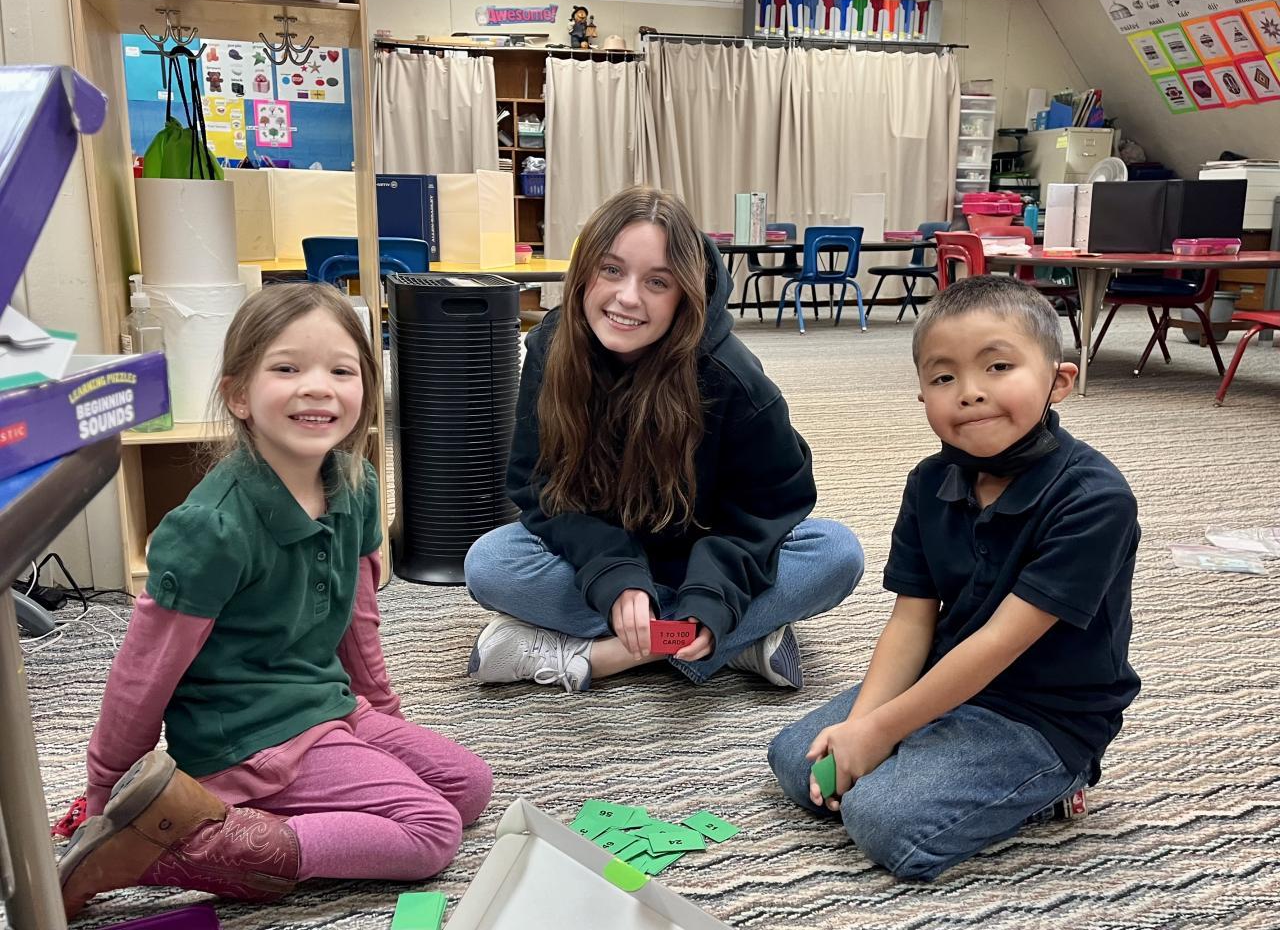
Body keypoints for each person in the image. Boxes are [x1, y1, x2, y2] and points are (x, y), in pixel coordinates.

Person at [59, 283, 492, 918]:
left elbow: (358, 624)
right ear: (239, 395)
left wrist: (381, 722)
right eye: (287, 368)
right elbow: (141, 675)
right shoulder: (210, 528)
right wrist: (106, 798)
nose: (318, 388)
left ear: (367, 389)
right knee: (430, 831)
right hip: (244, 740)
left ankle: (233, 815)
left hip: (324, 707)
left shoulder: (358, 485)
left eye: (341, 371)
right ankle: (183, 843)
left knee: (468, 786)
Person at [768, 275, 1141, 880]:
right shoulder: (928, 482)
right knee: (794, 760)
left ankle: (1055, 786)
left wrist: (881, 732)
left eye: (998, 367)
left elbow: (998, 645)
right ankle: (926, 750)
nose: (970, 393)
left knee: (884, 820)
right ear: (922, 395)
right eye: (944, 378)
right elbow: (911, 621)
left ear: (1059, 381)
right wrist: (864, 727)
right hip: (945, 678)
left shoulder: (1095, 500)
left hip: (1041, 716)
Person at [463, 186, 863, 692]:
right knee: (491, 562)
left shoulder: (734, 380)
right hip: (602, 554)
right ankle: (730, 642)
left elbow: (769, 509)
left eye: (657, 281)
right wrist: (614, 575)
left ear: (685, 294)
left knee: (836, 553)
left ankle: (597, 656)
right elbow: (536, 486)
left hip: (708, 559)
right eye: (611, 270)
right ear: (584, 272)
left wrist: (713, 596)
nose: (628, 297)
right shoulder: (552, 348)